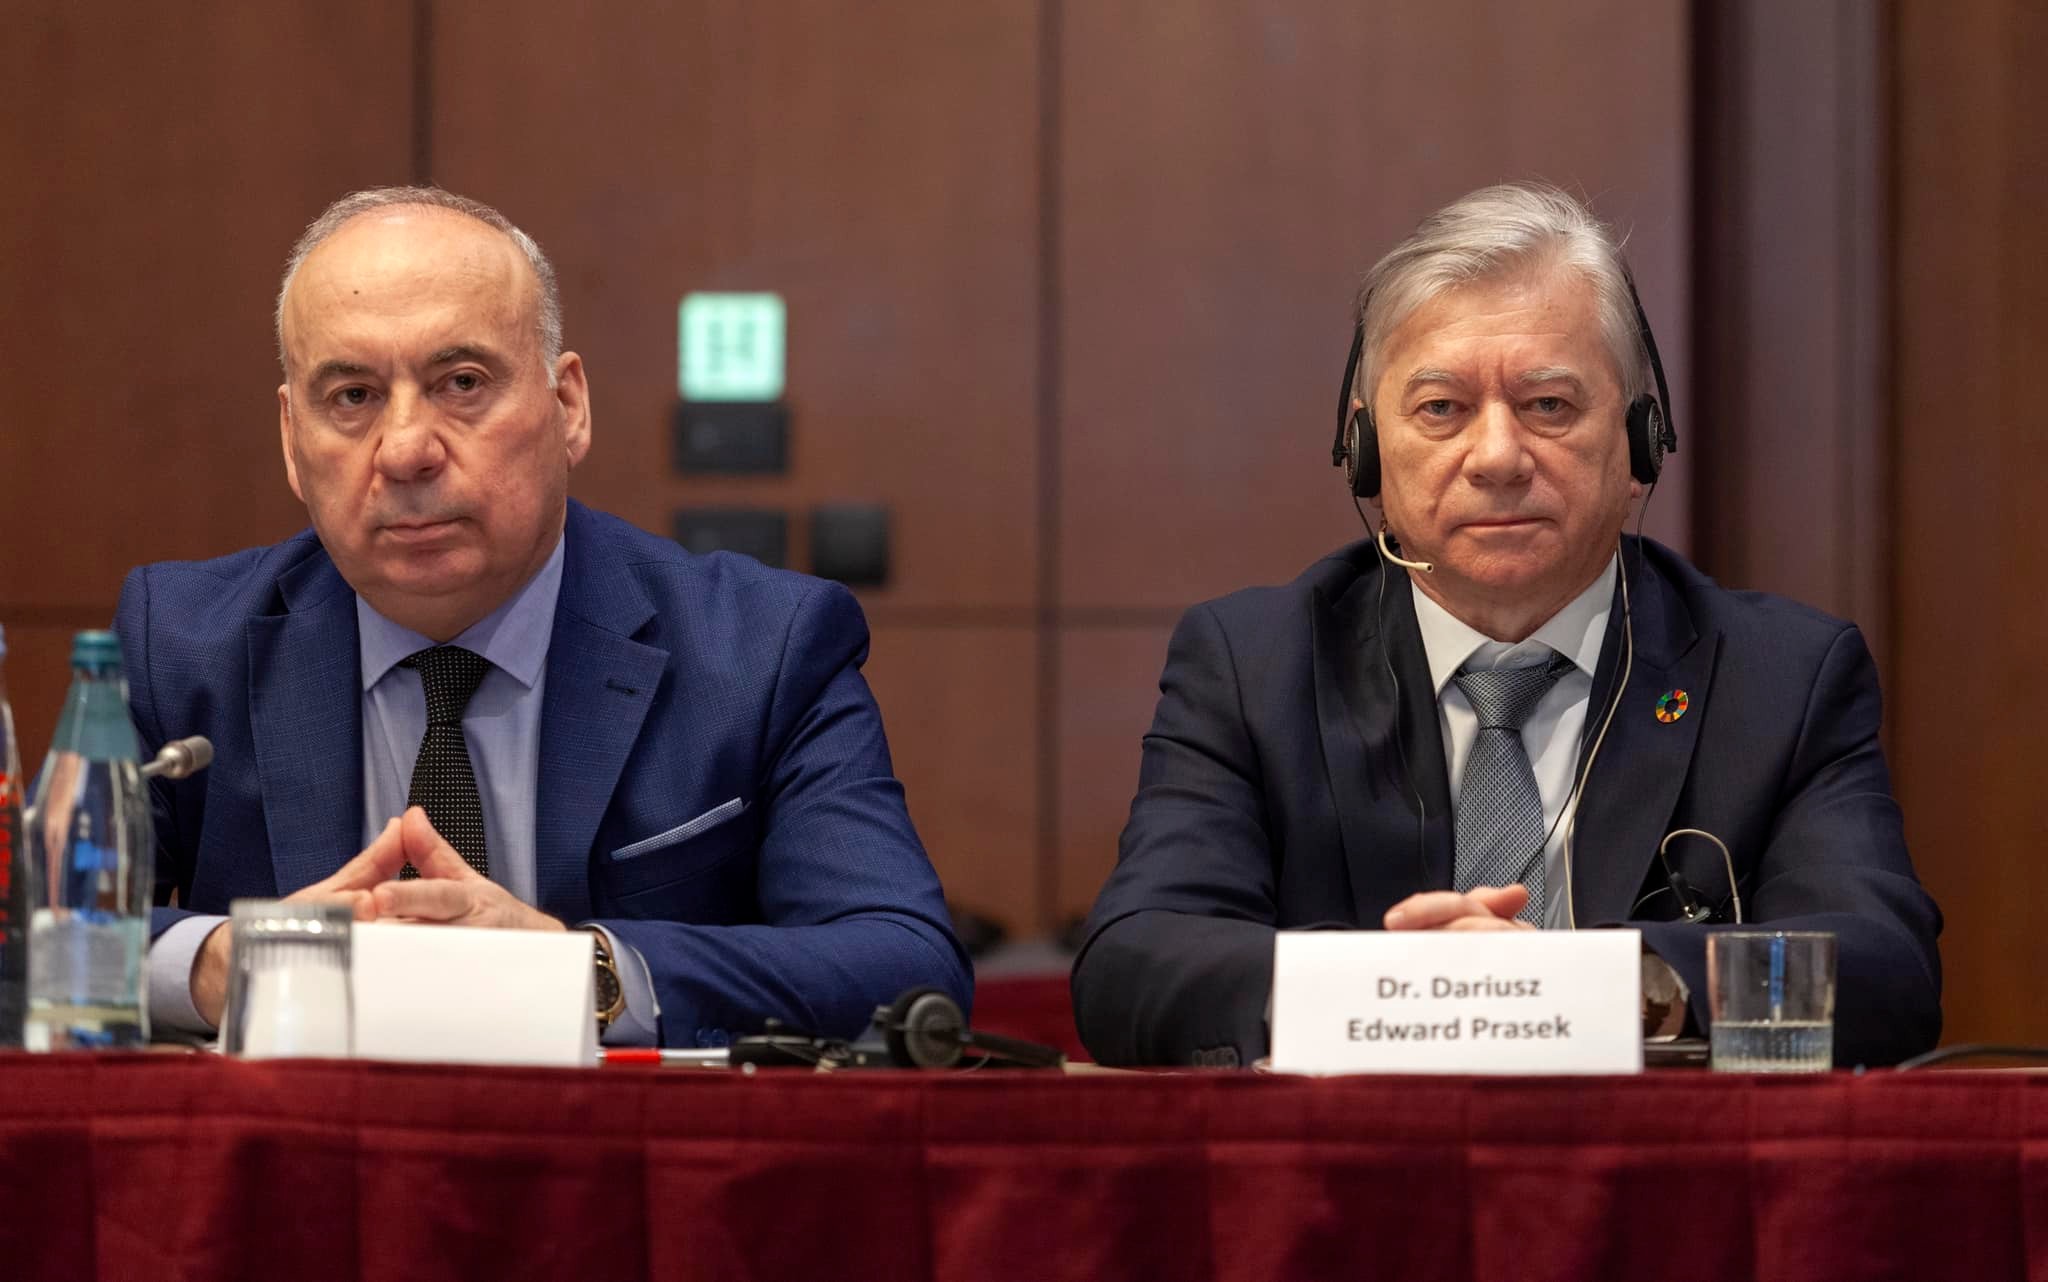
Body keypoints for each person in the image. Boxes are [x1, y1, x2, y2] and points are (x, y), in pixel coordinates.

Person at [1070, 181, 1940, 1068]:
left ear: (1640, 443)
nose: (1496, 458)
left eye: (1548, 406)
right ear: (1367, 453)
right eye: (1441, 409)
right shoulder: (1256, 666)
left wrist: (1594, 985)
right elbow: (1134, 963)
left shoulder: (1780, 677)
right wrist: (1404, 989)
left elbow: (1886, 970)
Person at [124, 186, 970, 1047]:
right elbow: (50, 929)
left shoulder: (760, 651)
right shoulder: (179, 647)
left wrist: (580, 972)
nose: (406, 450)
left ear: (568, 406)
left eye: (462, 383)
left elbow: (903, 962)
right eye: (352, 396)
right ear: (290, 438)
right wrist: (222, 964)